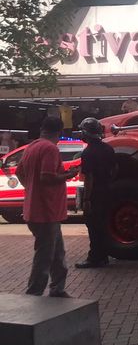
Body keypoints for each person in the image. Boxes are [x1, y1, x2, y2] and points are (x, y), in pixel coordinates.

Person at [16, 116, 79, 297]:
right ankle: (34, 293)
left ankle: (58, 288)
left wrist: (31, 189)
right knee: (44, 256)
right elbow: (47, 176)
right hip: (46, 211)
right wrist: (67, 176)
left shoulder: (32, 147)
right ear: (59, 132)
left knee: (57, 252)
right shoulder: (50, 149)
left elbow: (21, 172)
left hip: (36, 210)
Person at [76, 117, 116, 269]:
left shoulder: (88, 153)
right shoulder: (108, 149)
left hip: (96, 194)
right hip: (108, 190)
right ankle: (103, 256)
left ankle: (95, 258)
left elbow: (89, 178)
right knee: (104, 224)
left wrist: (86, 199)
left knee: (93, 226)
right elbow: (114, 169)